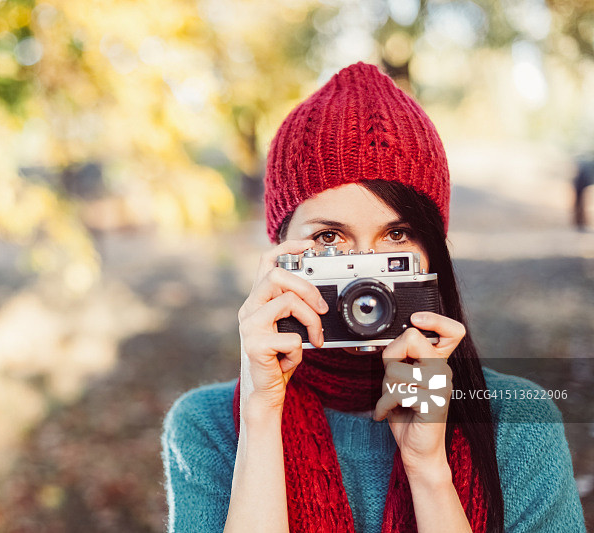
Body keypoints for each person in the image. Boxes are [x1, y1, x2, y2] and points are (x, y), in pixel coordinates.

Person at [161, 62, 587, 532]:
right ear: (281, 256)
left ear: (431, 253)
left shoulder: (518, 422)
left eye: (397, 234)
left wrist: (428, 470)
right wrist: (260, 421)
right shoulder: (208, 427)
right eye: (328, 239)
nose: (365, 271)